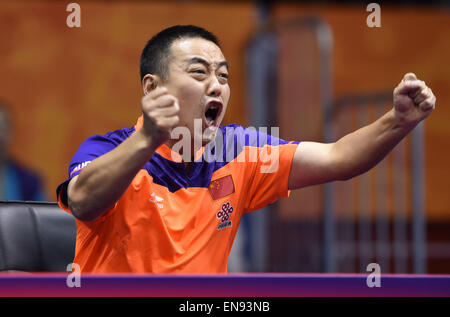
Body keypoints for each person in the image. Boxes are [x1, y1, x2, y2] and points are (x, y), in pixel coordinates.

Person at [56, 25, 436, 273]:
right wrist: (147, 140)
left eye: (223, 75)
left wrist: (398, 121)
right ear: (152, 88)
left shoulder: (239, 150)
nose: (217, 85)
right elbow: (84, 201)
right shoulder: (108, 149)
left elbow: (338, 158)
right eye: (199, 72)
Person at [0, 103, 47, 201]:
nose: (0, 136)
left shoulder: (29, 181)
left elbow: (39, 214)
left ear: (12, 132)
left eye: (3, 129)